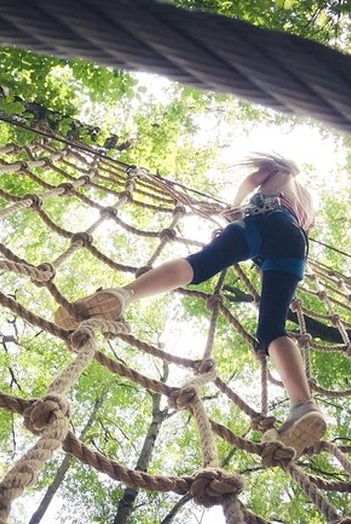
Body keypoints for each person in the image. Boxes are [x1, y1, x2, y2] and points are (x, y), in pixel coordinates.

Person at [54, 153, 326, 454]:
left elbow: (252, 180)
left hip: (262, 220)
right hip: (294, 242)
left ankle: (123, 295)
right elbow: (304, 228)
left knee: (198, 265)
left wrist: (234, 210)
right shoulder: (307, 203)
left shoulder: (281, 170)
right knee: (273, 328)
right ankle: (304, 405)